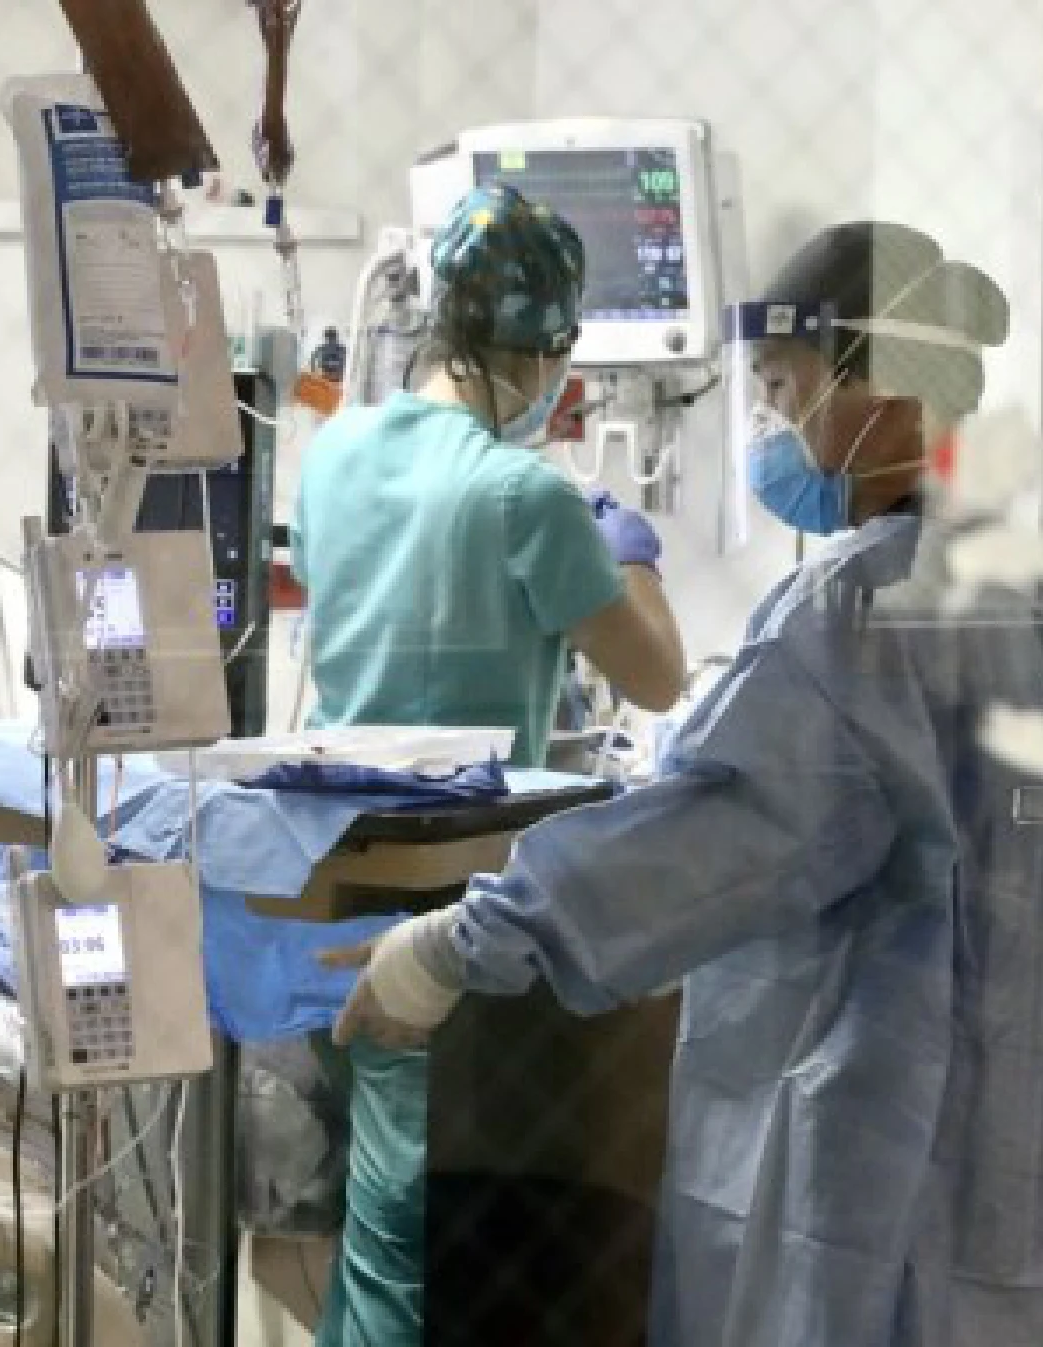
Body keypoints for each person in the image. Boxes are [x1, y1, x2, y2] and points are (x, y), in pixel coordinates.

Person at [325, 221, 1043, 1347]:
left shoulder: (851, 617)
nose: (772, 423)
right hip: (1034, 1220)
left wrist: (454, 947)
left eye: (785, 387)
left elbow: (713, 837)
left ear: (884, 383)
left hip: (866, 1204)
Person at [290, 182, 687, 1346]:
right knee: (444, 1240)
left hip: (333, 877)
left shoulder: (334, 454)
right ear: (547, 350)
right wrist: (630, 553)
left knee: (374, 1220)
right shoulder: (524, 493)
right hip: (457, 906)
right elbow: (657, 677)